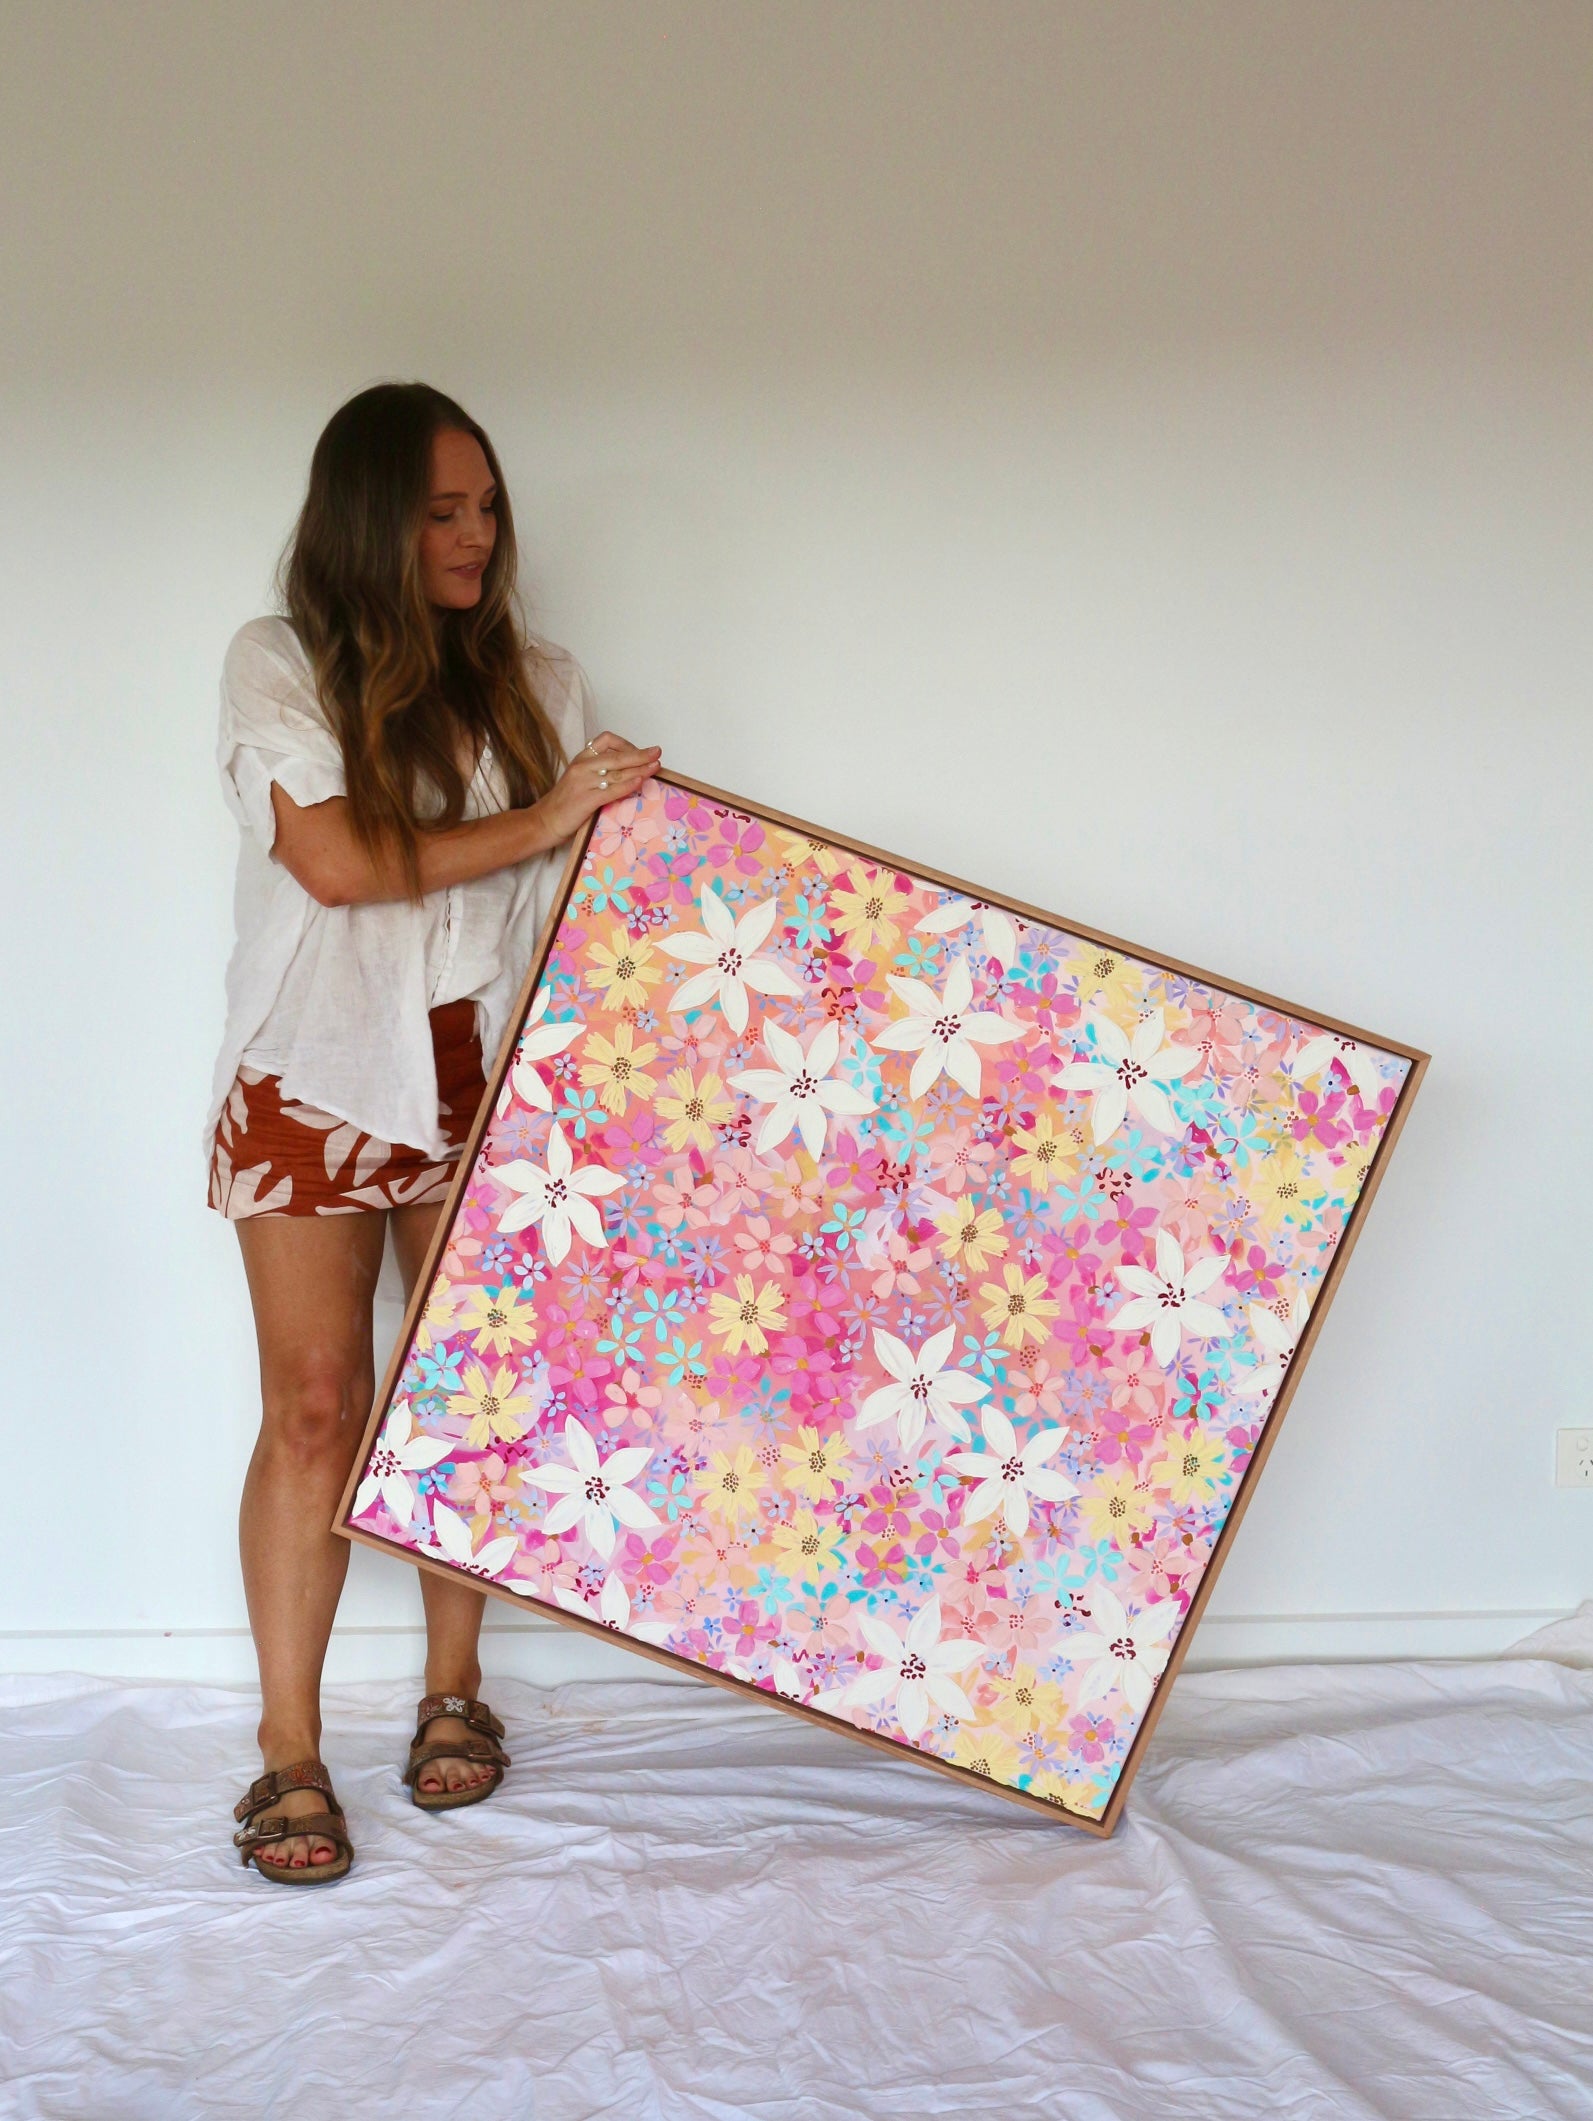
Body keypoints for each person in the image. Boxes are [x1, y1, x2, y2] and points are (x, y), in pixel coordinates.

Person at [204, 382, 661, 1883]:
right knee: (316, 1404)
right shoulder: (277, 661)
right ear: (367, 522)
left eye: (486, 508)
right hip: (319, 1071)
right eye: (441, 511)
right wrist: (545, 816)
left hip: (490, 1074)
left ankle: (452, 1688)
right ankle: (288, 1750)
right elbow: (335, 863)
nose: (475, 536)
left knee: (458, 1396)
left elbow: (584, 900)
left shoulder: (539, 680)